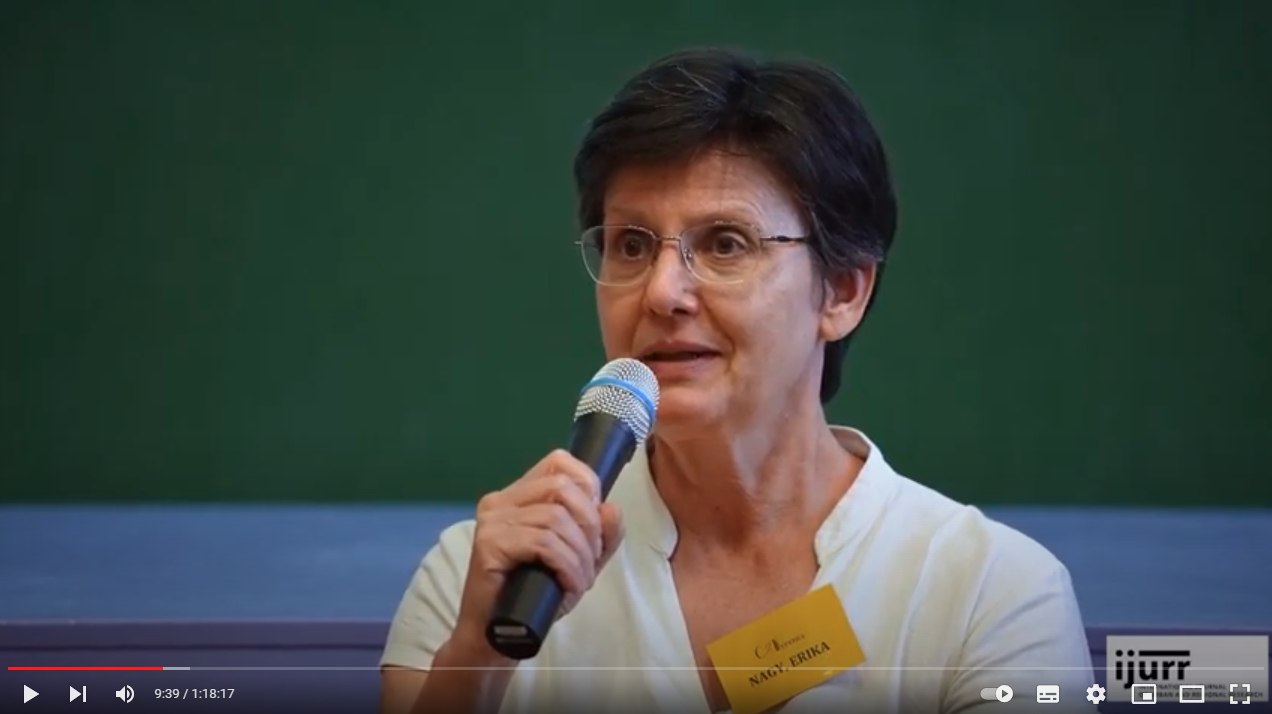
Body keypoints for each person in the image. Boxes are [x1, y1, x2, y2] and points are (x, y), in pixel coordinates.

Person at [379, 47, 1094, 714]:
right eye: (631, 244)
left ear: (843, 291)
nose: (662, 291)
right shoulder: (486, 580)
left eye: (725, 244)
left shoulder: (989, 592)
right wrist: (476, 661)